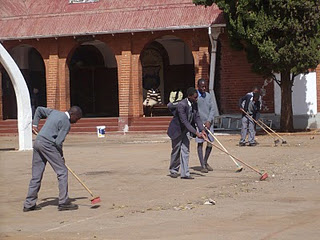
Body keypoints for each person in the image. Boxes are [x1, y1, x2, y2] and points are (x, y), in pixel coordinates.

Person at [23, 106, 82, 212]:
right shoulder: (66, 123)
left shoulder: (54, 113)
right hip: (48, 145)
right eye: (77, 119)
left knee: (36, 175)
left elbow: (39, 110)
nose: (76, 122)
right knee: (62, 171)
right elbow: (58, 142)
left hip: (38, 142)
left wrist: (35, 124)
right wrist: (61, 157)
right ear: (73, 115)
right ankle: (63, 202)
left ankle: (29, 204)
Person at [167, 87, 207, 179]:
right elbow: (184, 121)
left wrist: (202, 130)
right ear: (189, 96)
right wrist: (197, 133)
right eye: (195, 97)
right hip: (176, 130)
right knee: (176, 150)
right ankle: (173, 170)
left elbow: (197, 117)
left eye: (197, 97)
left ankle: (185, 173)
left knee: (185, 150)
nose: (196, 99)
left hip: (185, 131)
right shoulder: (181, 105)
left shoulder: (194, 104)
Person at [196, 79, 215, 173]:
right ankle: (202, 164)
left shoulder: (208, 96)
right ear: (198, 86)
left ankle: (205, 161)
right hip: (199, 124)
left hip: (209, 124)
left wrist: (209, 121)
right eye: (202, 87)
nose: (203, 88)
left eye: (205, 87)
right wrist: (199, 123)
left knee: (210, 143)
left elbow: (212, 109)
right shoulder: (195, 97)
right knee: (200, 143)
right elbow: (195, 112)